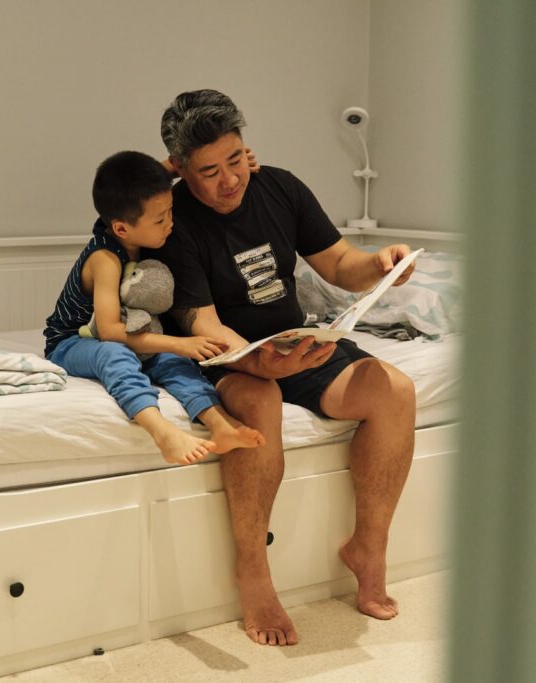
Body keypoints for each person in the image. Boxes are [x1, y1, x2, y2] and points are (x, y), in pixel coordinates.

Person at [148, 89, 418, 646]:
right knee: (257, 402)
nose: (230, 180)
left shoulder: (280, 186)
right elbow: (204, 324)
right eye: (209, 172)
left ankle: (368, 547)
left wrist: (379, 265)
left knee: (394, 390)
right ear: (179, 168)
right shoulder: (175, 220)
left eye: (235, 159)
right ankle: (253, 571)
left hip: (295, 343)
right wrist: (261, 362)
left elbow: (339, 263)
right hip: (226, 354)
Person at [43, 150, 266, 465]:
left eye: (170, 212)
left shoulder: (134, 227)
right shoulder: (105, 259)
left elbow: (151, 180)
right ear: (122, 229)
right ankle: (162, 432)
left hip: (127, 334)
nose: (170, 224)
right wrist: (180, 343)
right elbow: (109, 332)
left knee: (174, 361)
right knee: (116, 354)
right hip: (72, 342)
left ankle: (219, 424)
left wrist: (231, 164)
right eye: (160, 220)